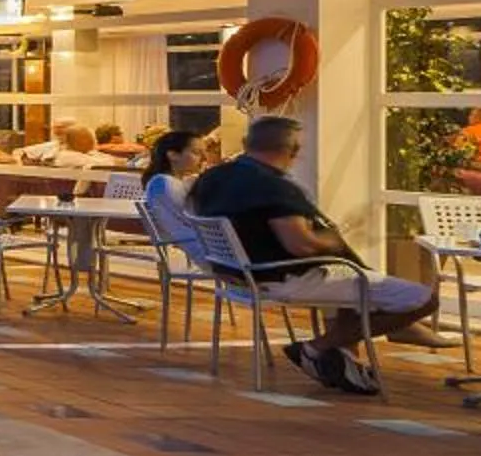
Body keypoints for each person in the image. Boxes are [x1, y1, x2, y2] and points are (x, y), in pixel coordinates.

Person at [189, 114, 446, 393]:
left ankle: (346, 363)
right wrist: (334, 239)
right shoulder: (275, 188)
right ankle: (316, 348)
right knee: (424, 300)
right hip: (283, 276)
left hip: (236, 274)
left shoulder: (212, 178)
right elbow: (301, 245)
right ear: (291, 151)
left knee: (350, 283)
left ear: (246, 143)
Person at [140, 129, 205, 256]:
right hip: (204, 249)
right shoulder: (163, 183)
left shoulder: (171, 182)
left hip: (199, 245)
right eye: (196, 152)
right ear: (173, 155)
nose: (203, 158)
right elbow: (196, 217)